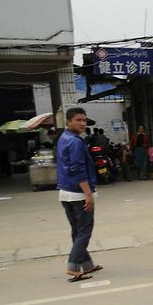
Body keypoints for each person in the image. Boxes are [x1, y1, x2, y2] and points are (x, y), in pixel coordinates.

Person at [57, 108, 101, 282]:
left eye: (84, 120)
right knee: (84, 231)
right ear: (68, 121)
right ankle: (73, 266)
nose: (82, 123)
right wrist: (88, 194)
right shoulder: (75, 142)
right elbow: (78, 169)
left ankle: (87, 264)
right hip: (77, 193)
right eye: (78, 120)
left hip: (66, 191)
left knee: (78, 231)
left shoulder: (64, 138)